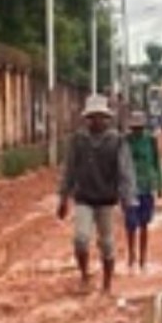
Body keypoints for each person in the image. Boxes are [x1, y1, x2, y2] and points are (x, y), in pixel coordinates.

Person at [57, 95, 137, 295]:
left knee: (107, 243)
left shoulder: (116, 141)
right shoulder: (78, 141)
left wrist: (128, 200)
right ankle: (84, 274)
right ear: (87, 118)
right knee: (81, 239)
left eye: (100, 117)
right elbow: (69, 169)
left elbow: (125, 172)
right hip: (84, 198)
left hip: (106, 200)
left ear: (106, 118)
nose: (96, 121)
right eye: (92, 117)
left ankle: (107, 285)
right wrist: (63, 197)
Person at [123, 111, 162, 271]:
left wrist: (160, 185)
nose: (137, 131)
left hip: (146, 187)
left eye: (139, 128)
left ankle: (143, 258)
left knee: (144, 224)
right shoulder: (125, 142)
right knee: (130, 224)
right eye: (134, 128)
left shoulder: (150, 141)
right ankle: (131, 256)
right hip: (129, 188)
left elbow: (156, 163)